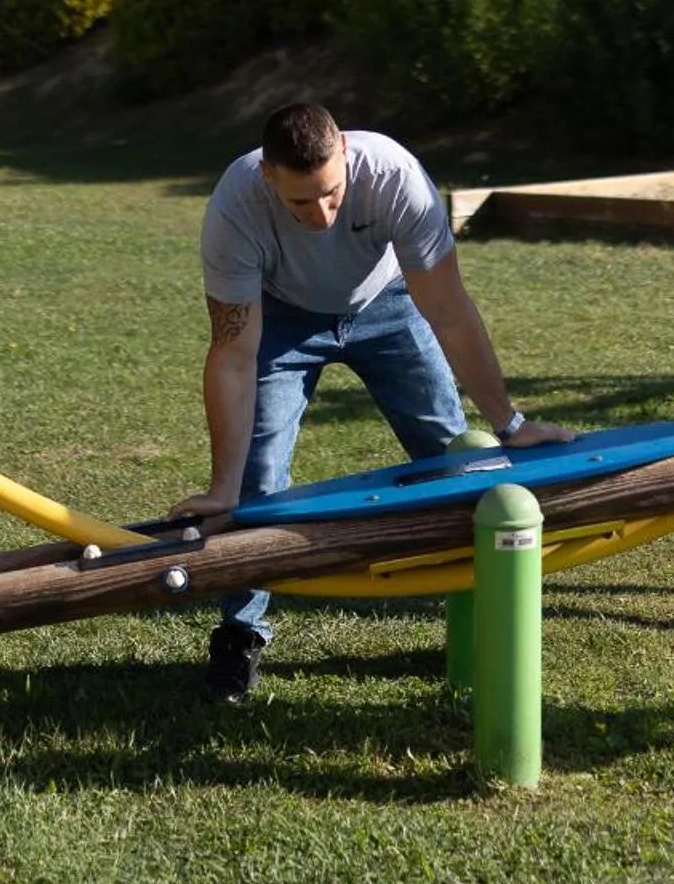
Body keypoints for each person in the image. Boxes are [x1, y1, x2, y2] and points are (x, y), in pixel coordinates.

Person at [171, 102, 572, 703]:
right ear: (268, 177)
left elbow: (450, 311)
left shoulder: (395, 175)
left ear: (348, 160)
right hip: (282, 319)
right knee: (257, 481)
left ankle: (487, 610)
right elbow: (232, 354)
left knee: (455, 459)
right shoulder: (235, 205)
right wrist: (223, 485)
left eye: (333, 194)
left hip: (387, 304)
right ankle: (240, 632)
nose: (323, 214)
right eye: (302, 202)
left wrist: (508, 423)